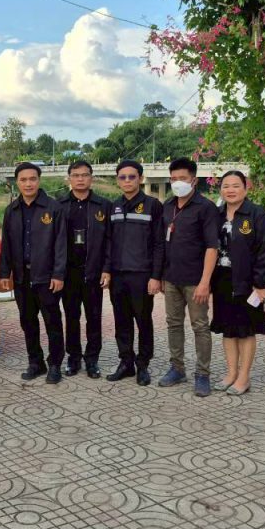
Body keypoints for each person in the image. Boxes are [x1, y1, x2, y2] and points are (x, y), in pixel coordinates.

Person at [0, 162, 68, 383]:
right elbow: (6, 244)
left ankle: (55, 364)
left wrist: (58, 274)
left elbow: (61, 244)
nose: (28, 184)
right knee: (28, 322)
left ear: (39, 180)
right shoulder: (12, 210)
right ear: (17, 182)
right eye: (23, 180)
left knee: (52, 322)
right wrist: (4, 273)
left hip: (47, 278)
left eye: (32, 179)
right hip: (22, 277)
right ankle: (35, 362)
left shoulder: (53, 208)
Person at [159, 157, 220, 397]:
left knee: (200, 326)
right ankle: (177, 368)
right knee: (173, 324)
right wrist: (161, 275)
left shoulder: (206, 208)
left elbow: (212, 247)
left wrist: (205, 282)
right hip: (171, 278)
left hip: (196, 280)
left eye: (182, 178)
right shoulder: (167, 206)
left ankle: (202, 374)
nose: (177, 183)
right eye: (173, 179)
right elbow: (161, 243)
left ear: (194, 180)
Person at [210, 170, 265, 395]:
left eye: (236, 185)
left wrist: (261, 283)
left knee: (246, 330)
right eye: (226, 186)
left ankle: (244, 377)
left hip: (248, 282)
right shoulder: (217, 215)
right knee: (228, 329)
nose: (230, 190)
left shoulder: (257, 214)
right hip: (222, 279)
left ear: (246, 189)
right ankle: (231, 373)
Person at [106, 160, 165, 386]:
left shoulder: (152, 205)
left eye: (132, 176)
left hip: (142, 275)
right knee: (122, 321)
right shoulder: (114, 206)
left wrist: (155, 276)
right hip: (118, 275)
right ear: (117, 180)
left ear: (140, 178)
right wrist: (107, 271)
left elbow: (159, 243)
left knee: (143, 321)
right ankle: (126, 363)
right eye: (123, 177)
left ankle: (143, 365)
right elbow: (108, 242)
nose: (127, 181)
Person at [57, 160, 112, 378]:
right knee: (71, 317)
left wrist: (106, 268)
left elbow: (110, 240)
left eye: (85, 175)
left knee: (94, 317)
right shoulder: (59, 205)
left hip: (94, 272)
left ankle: (92, 359)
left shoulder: (103, 205)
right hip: (68, 272)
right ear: (69, 178)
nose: (80, 179)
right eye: (76, 175)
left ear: (92, 178)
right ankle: (73, 357)